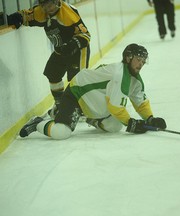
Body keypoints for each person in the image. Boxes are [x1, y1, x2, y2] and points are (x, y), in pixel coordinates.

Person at [19, 43, 167, 139]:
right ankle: (38, 122)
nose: (141, 64)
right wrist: (130, 123)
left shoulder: (134, 79)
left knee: (115, 126)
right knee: (61, 133)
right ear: (128, 58)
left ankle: (88, 117)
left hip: (92, 101)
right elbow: (115, 107)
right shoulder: (119, 74)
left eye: (143, 61)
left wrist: (150, 118)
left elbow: (140, 101)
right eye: (138, 60)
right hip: (77, 94)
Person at [7, 0, 91, 118]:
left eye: (50, 4)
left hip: (78, 51)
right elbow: (26, 15)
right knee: (52, 73)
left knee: (76, 80)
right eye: (43, 5)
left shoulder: (67, 14)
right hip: (60, 50)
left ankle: (80, 106)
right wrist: (15, 17)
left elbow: (86, 35)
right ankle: (60, 102)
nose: (47, 8)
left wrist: (72, 45)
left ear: (57, 2)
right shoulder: (41, 12)